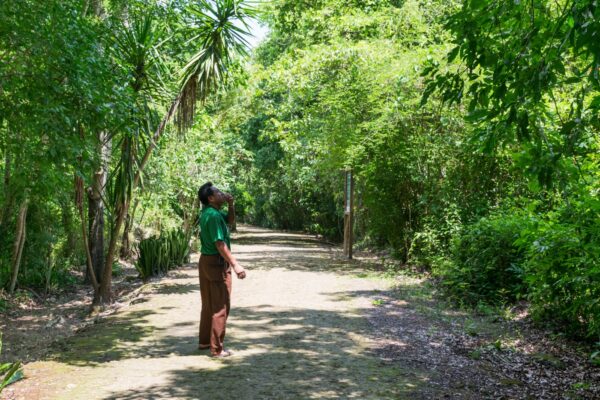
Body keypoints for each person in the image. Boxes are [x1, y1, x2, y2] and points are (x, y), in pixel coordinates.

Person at [197, 182, 246, 358]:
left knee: (208, 304)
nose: (221, 193)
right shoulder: (214, 216)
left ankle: (204, 342)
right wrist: (235, 264)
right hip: (217, 264)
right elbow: (219, 243)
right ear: (210, 198)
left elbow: (230, 221)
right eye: (217, 192)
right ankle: (217, 349)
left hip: (205, 262)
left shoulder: (210, 213)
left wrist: (231, 204)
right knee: (221, 305)